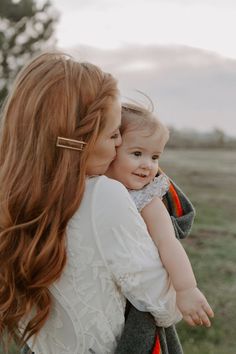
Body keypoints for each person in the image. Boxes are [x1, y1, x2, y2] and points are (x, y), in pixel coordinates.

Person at [0, 52, 181, 354]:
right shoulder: (103, 195)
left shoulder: (11, 195)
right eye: (113, 134)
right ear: (77, 141)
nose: (120, 145)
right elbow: (164, 305)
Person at [106, 103, 214, 328]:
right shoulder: (92, 187)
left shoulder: (146, 200)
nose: (148, 165)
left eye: (155, 157)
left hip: (133, 290)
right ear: (111, 148)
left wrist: (186, 288)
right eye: (137, 154)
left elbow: (168, 243)